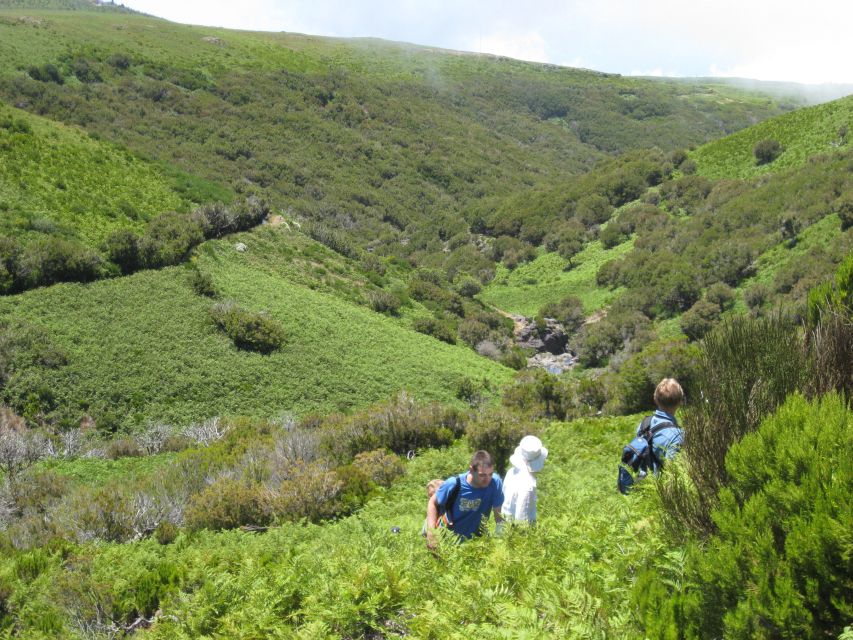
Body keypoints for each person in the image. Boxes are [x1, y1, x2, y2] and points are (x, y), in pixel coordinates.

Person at [426, 450, 504, 549]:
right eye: (482, 475)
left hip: (476, 543)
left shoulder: (495, 483)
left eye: (490, 474)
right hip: (447, 541)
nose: (487, 479)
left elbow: (499, 517)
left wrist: (501, 541)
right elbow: (432, 502)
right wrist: (431, 533)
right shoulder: (454, 484)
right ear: (471, 470)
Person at [618, 377, 685, 493]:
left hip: (641, 485)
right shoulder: (677, 435)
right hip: (659, 493)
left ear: (655, 399)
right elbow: (674, 473)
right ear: (680, 402)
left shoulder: (644, 423)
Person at [501, 435, 547, 524]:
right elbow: (522, 520)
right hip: (513, 532)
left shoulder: (511, 472)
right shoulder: (528, 484)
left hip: (503, 525)